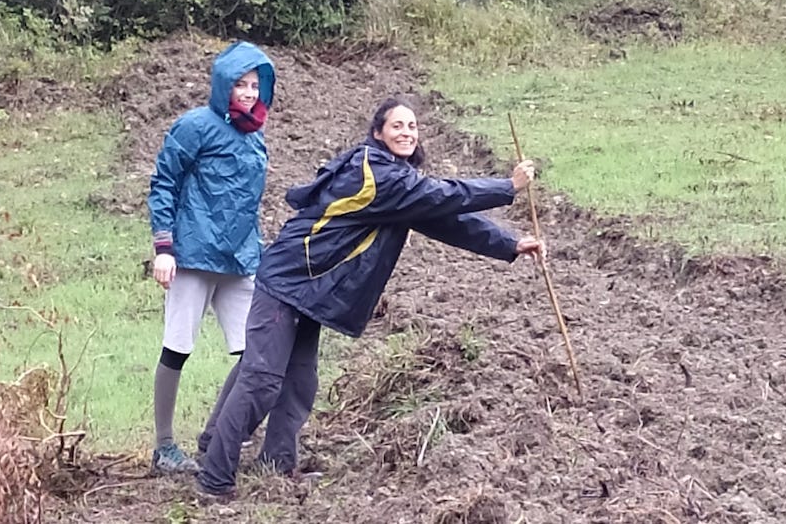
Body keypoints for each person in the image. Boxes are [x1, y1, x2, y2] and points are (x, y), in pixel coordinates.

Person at [197, 97, 544, 495]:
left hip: (313, 288)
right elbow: (442, 194)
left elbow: (448, 220)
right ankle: (214, 478)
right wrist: (507, 187)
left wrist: (511, 243)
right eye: (397, 126)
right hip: (290, 278)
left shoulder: (400, 184)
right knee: (261, 379)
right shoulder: (375, 172)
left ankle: (274, 462)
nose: (406, 133)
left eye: (412, 127)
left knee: (298, 382)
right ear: (378, 132)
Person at [147, 41, 275, 474]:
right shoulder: (194, 126)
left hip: (240, 262)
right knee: (178, 347)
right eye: (240, 83)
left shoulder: (257, 136)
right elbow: (164, 183)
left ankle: (218, 437)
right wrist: (163, 248)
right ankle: (164, 447)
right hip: (192, 256)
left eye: (255, 84)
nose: (249, 92)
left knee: (254, 355)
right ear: (224, 85)